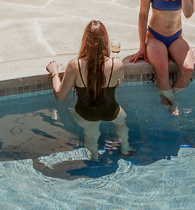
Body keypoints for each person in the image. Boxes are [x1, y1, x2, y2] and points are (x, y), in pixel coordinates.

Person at [127, 0, 195, 114]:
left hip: (176, 37)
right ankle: (173, 102)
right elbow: (143, 15)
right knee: (163, 70)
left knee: (187, 69)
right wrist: (142, 47)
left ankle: (167, 96)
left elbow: (188, 13)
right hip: (155, 37)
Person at [48, 19, 133, 158]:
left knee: (91, 132)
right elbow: (118, 83)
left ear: (85, 41)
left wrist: (54, 72)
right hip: (110, 111)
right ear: (105, 41)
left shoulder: (75, 66)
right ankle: (126, 146)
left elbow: (60, 96)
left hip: (85, 114)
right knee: (122, 122)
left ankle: (94, 156)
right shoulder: (117, 64)